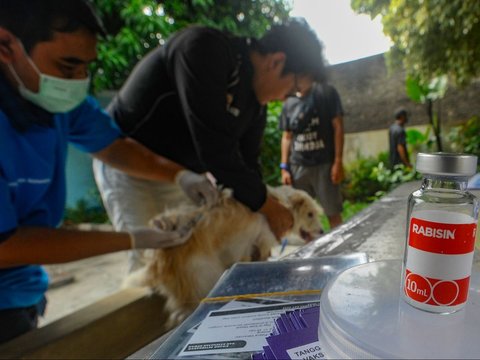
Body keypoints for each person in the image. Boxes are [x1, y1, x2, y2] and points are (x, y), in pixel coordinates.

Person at [0, 0, 219, 344]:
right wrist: (130, 239)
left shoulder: (55, 102)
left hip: (22, 291)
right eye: (68, 65)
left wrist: (180, 175)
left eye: (86, 67)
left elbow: (114, 147)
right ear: (6, 46)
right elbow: (6, 246)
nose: (80, 81)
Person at [92, 18, 328, 270]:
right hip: (128, 163)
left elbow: (247, 167)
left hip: (179, 175)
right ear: (276, 61)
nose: (285, 99)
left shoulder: (254, 105)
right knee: (152, 262)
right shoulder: (205, 50)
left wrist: (260, 228)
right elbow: (216, 151)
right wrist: (268, 207)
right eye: (292, 90)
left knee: (188, 251)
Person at [279, 82, 344, 229]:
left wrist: (338, 161)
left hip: (324, 164)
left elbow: (338, 126)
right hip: (298, 167)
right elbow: (287, 137)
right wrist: (284, 167)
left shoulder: (326, 93)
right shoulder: (289, 103)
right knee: (299, 217)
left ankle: (342, 250)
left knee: (333, 213)